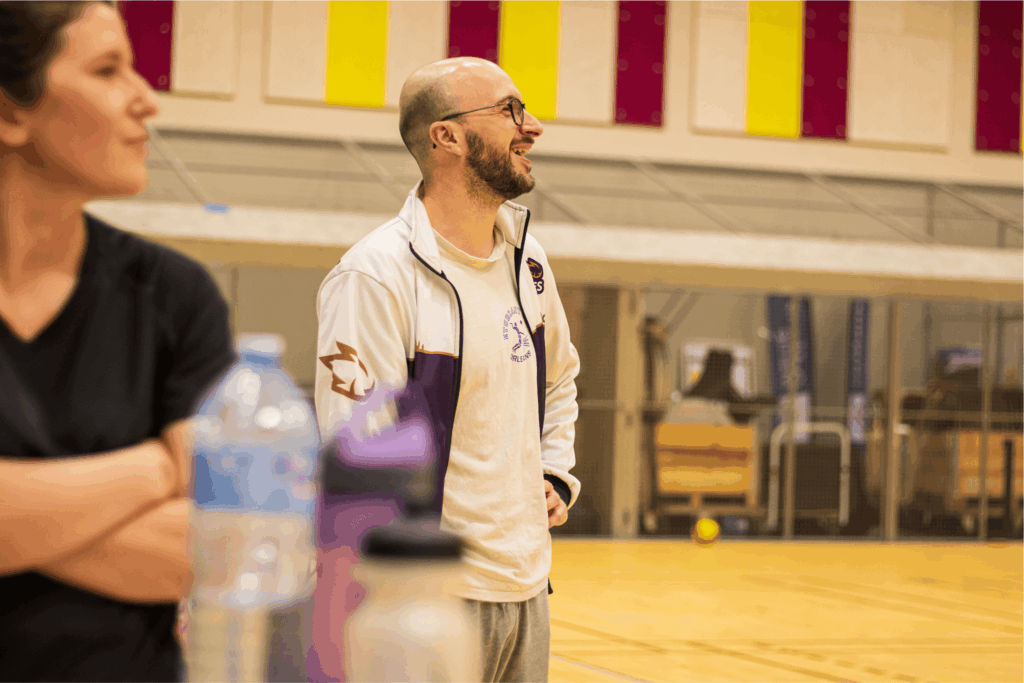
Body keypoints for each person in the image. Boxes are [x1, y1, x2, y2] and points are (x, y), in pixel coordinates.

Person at [315, 57, 580, 683]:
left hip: (527, 589)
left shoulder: (528, 260)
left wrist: (554, 470)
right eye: (510, 111)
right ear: (448, 136)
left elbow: (561, 378)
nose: (533, 126)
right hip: (422, 604)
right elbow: (359, 451)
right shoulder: (375, 276)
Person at [0, 3, 234, 681]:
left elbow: (202, 552)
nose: (146, 100)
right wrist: (159, 467)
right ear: (12, 112)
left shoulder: (175, 295)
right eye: (108, 70)